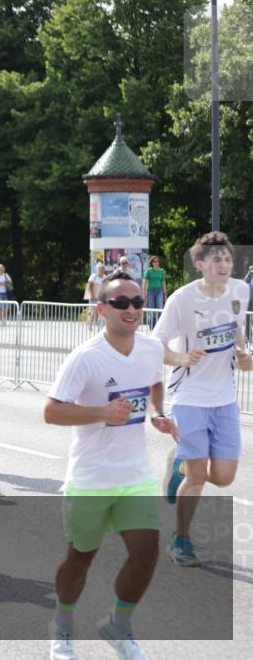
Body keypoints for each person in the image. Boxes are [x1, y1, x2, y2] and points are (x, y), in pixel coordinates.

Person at [44, 270, 178, 660]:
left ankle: (118, 624)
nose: (132, 309)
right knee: (80, 558)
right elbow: (52, 412)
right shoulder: (86, 357)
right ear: (102, 309)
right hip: (91, 475)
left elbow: (153, 382)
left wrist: (157, 412)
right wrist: (101, 411)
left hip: (134, 473)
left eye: (137, 302)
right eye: (121, 303)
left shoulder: (151, 348)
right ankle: (63, 629)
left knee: (146, 555)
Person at [152, 231, 252, 566]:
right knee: (197, 477)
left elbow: (236, 327)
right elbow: (156, 345)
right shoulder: (182, 300)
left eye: (227, 258)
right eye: (216, 259)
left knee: (223, 477)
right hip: (189, 396)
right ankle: (181, 539)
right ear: (200, 265)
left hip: (223, 398)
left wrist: (242, 353)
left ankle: (179, 461)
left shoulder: (241, 290)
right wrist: (182, 359)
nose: (224, 264)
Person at [141, 255, 167, 328]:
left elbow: (163, 282)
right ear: (152, 262)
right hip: (150, 291)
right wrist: (144, 294)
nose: (156, 263)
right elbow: (145, 283)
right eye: (155, 261)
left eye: (158, 261)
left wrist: (165, 294)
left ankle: (159, 326)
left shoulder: (162, 271)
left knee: (159, 307)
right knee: (151, 308)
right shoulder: (149, 271)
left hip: (159, 291)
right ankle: (152, 326)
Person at [86, 262, 107, 329]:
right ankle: (90, 325)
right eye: (101, 269)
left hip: (100, 296)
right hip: (93, 296)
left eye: (103, 269)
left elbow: (106, 286)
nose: (103, 271)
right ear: (98, 270)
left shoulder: (105, 277)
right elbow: (89, 286)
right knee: (92, 311)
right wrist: (91, 294)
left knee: (101, 311)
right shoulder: (93, 276)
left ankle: (101, 326)